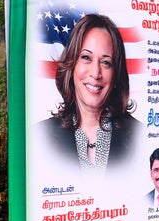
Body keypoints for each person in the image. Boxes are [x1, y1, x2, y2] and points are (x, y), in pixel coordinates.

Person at [41, 14, 139, 175]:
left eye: (106, 62)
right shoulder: (39, 136)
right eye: (86, 57)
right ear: (71, 66)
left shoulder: (140, 136)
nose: (95, 73)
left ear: (116, 74)